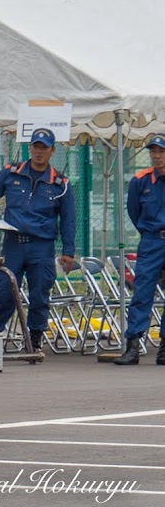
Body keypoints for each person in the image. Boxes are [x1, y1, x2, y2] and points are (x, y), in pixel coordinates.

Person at [0, 127, 76, 352]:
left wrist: (68, 251)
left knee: (40, 293)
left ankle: (34, 340)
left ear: (53, 151)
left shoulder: (60, 183)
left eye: (44, 148)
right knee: (3, 291)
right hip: (13, 243)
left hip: (41, 246)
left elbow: (68, 219)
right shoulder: (10, 173)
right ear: (29, 147)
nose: (39, 152)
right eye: (35, 146)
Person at [114, 133, 165, 365]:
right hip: (152, 241)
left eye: (161, 151)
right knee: (142, 292)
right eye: (153, 151)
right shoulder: (140, 181)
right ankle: (133, 346)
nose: (157, 156)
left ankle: (164, 348)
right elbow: (134, 212)